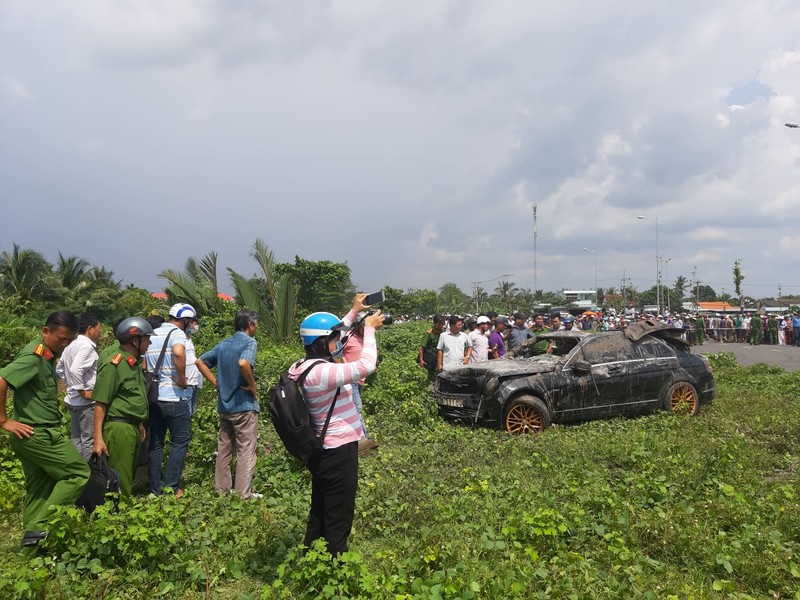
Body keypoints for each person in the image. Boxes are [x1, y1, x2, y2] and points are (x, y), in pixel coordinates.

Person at [288, 309, 384, 556]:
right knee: (339, 511)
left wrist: (354, 314)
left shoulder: (302, 366)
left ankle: (311, 553)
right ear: (321, 343)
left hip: (325, 450)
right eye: (333, 339)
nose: (338, 343)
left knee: (321, 505)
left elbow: (338, 335)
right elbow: (366, 366)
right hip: (338, 451)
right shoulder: (323, 373)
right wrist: (370, 329)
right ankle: (335, 561)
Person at [0, 311, 90, 548]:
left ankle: (32, 550)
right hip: (39, 434)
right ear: (45, 331)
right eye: (61, 339)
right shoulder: (34, 355)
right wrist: (4, 421)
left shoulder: (47, 356)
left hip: (32, 434)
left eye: (69, 340)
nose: (64, 344)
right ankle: (40, 526)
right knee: (78, 473)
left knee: (40, 490)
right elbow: (1, 381)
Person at [195, 309, 262, 500]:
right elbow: (243, 363)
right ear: (250, 325)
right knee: (245, 450)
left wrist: (215, 382)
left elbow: (200, 362)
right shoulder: (249, 342)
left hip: (225, 407)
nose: (257, 328)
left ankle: (221, 490)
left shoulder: (224, 344)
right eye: (256, 324)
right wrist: (252, 386)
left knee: (224, 449)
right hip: (243, 406)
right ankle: (243, 495)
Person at [92, 318, 153, 496]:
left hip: (131, 427)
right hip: (119, 429)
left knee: (127, 476)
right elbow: (101, 403)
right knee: (119, 481)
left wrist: (139, 423)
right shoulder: (115, 364)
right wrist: (98, 438)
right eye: (147, 338)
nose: (149, 343)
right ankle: (116, 517)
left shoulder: (132, 363)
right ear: (136, 340)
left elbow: (131, 399)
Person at [145, 303, 195, 497]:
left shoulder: (153, 333)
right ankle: (172, 487)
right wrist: (182, 379)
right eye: (189, 322)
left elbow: (144, 363)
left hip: (154, 396)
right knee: (180, 441)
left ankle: (155, 489)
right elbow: (178, 353)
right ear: (184, 320)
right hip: (174, 396)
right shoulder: (177, 334)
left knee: (156, 443)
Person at [56, 313, 102, 460]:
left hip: (72, 400)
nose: (100, 332)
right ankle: (88, 475)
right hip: (85, 402)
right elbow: (76, 369)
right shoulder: (86, 346)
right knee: (88, 440)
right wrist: (82, 391)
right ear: (90, 329)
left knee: (76, 440)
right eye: (98, 328)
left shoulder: (72, 345)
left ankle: (78, 472)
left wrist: (70, 384)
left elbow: (60, 369)